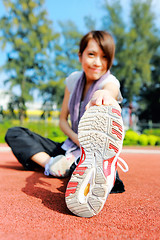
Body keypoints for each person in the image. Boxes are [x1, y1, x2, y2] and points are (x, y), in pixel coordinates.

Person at [5, 30, 128, 218]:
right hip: (69, 145)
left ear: (110, 60)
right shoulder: (72, 80)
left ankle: (95, 171)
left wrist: (102, 95)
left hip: (93, 149)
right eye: (92, 54)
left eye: (104, 57)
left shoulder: (110, 81)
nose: (97, 63)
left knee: (100, 167)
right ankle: (55, 165)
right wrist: (75, 142)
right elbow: (63, 120)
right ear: (80, 56)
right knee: (15, 133)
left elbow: (111, 89)